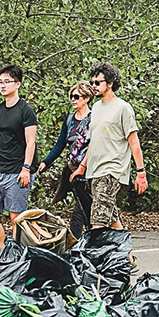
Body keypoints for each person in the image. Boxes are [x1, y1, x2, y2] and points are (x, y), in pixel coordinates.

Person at [72, 62, 148, 228]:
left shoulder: (123, 108)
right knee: (113, 221)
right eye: (92, 82)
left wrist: (141, 172)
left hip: (111, 170)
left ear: (110, 83)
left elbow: (134, 142)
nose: (94, 86)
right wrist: (82, 167)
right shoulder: (96, 108)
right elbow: (94, 140)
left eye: (98, 82)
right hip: (95, 170)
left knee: (98, 222)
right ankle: (126, 254)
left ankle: (97, 254)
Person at [0, 65, 38, 249]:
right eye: (0, 82)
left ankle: (18, 256)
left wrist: (26, 169)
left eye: (7, 82)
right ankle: (5, 251)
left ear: (17, 84)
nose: (2, 86)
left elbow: (31, 142)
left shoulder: (26, 110)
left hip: (18, 170)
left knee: (15, 219)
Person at [38, 82, 95, 236]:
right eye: (71, 96)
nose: (73, 100)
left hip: (90, 170)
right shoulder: (70, 119)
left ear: (87, 98)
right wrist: (45, 163)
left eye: (76, 96)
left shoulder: (94, 118)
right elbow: (60, 145)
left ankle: (82, 243)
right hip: (73, 170)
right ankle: (82, 244)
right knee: (82, 207)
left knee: (82, 209)